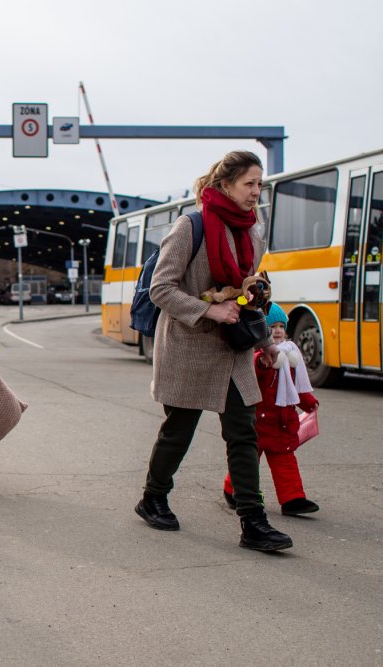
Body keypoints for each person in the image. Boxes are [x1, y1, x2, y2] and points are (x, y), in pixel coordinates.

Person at [134, 150, 294, 552]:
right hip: (190, 347)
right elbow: (160, 289)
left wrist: (265, 342)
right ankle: (153, 497)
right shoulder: (190, 227)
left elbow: (246, 293)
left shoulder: (253, 232)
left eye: (260, 183)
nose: (257, 191)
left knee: (243, 433)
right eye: (249, 184)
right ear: (225, 185)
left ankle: (252, 522)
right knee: (179, 431)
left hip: (234, 348)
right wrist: (208, 309)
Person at [222, 302, 320, 515]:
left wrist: (308, 402)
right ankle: (233, 490)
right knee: (247, 461)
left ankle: (293, 499)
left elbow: (297, 388)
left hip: (281, 422)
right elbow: (251, 374)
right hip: (257, 421)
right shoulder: (256, 355)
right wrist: (262, 363)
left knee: (285, 460)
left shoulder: (291, 356)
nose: (276, 331)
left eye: (281, 326)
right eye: (271, 327)